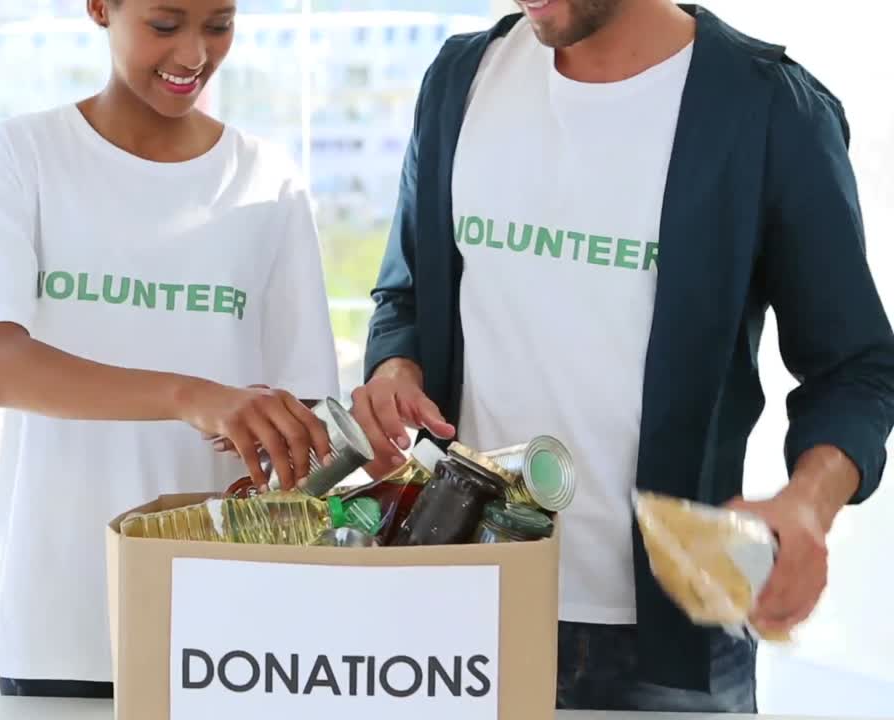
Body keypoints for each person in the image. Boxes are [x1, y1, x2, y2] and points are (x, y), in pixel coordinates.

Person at [350, 0, 894, 713]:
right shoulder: (460, 80)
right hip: (463, 605)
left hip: (673, 635)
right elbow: (407, 298)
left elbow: (856, 368)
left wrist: (808, 503)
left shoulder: (766, 109)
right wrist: (397, 369)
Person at [0, 0, 340, 699]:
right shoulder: (19, 157)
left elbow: (304, 412)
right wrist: (193, 396)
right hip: (59, 617)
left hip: (229, 628)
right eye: (166, 25)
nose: (193, 55)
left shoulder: (268, 181)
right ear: (101, 8)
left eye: (218, 26)